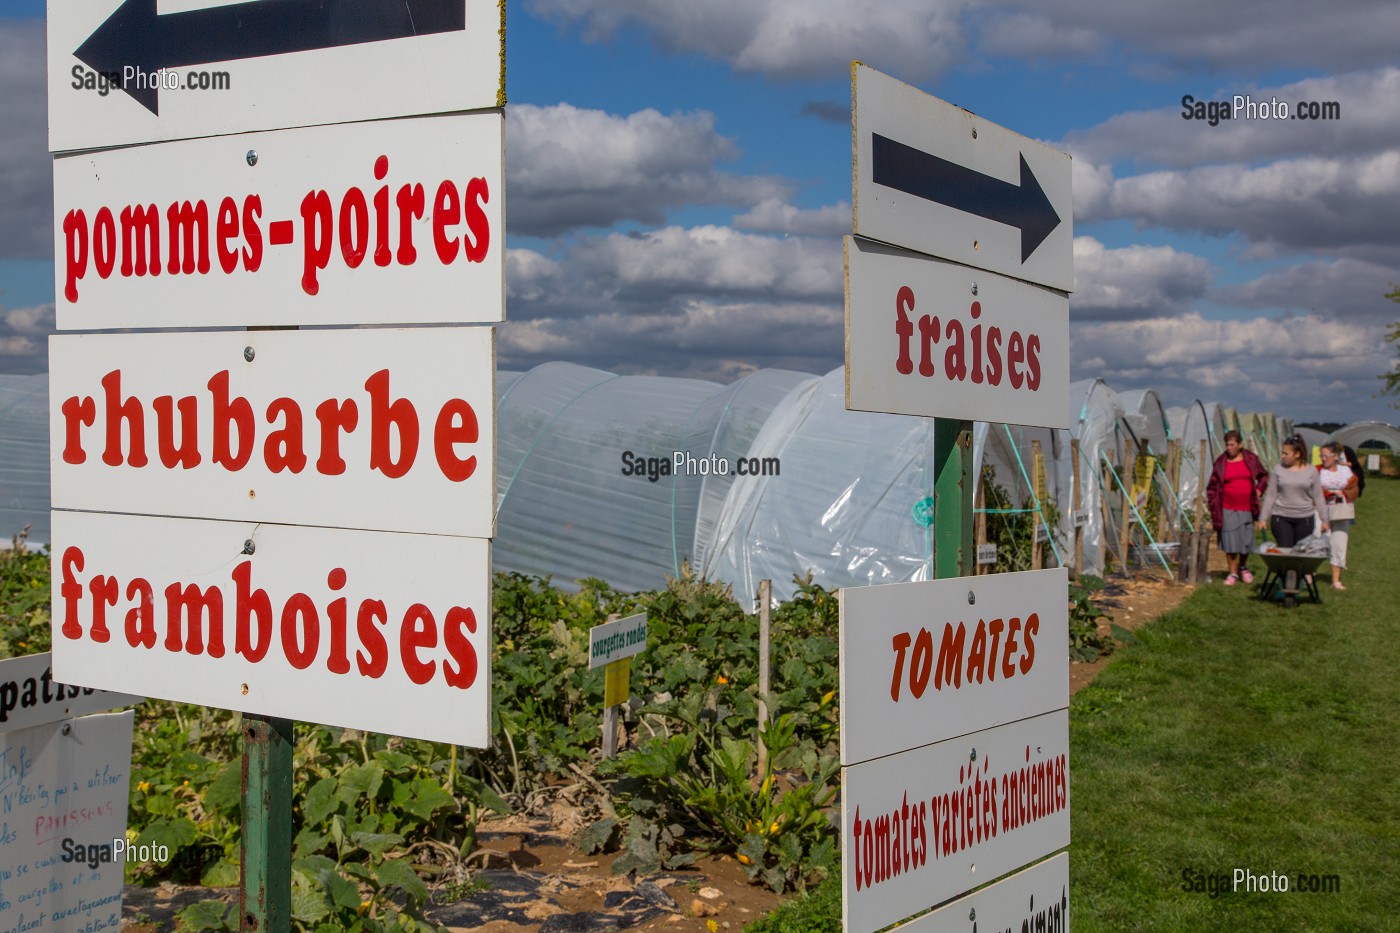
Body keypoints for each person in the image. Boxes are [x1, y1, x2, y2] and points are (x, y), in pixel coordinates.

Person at [1206, 429, 1269, 586]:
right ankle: (1233, 573)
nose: (1229, 448)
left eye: (1232, 445)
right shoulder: (1221, 463)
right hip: (1227, 506)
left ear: (1240, 445)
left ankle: (1243, 567)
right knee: (1230, 540)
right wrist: (1214, 503)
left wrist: (1259, 489)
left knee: (1246, 540)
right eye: (1227, 445)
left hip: (1247, 506)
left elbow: (1264, 476)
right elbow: (1212, 487)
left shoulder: (1251, 459)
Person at [1257, 435, 1329, 547]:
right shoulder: (1278, 470)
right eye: (1282, 452)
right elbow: (1271, 495)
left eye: (1286, 454)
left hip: (1305, 519)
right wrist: (1263, 518)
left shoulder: (1311, 471)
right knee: (1285, 550)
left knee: (1300, 553)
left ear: (1297, 454)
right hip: (1281, 517)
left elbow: (1318, 496)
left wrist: (1325, 519)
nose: (1282, 456)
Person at [1318, 442, 1358, 590]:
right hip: (1321, 510)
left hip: (1341, 510)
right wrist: (1330, 492)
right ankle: (1309, 574)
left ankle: (1336, 580)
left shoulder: (1346, 471)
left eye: (1325, 455)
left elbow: (1354, 488)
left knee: (1339, 543)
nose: (1322, 458)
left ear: (1335, 456)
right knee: (1318, 540)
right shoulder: (1317, 471)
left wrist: (1344, 493)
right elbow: (1313, 489)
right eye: (1321, 455)